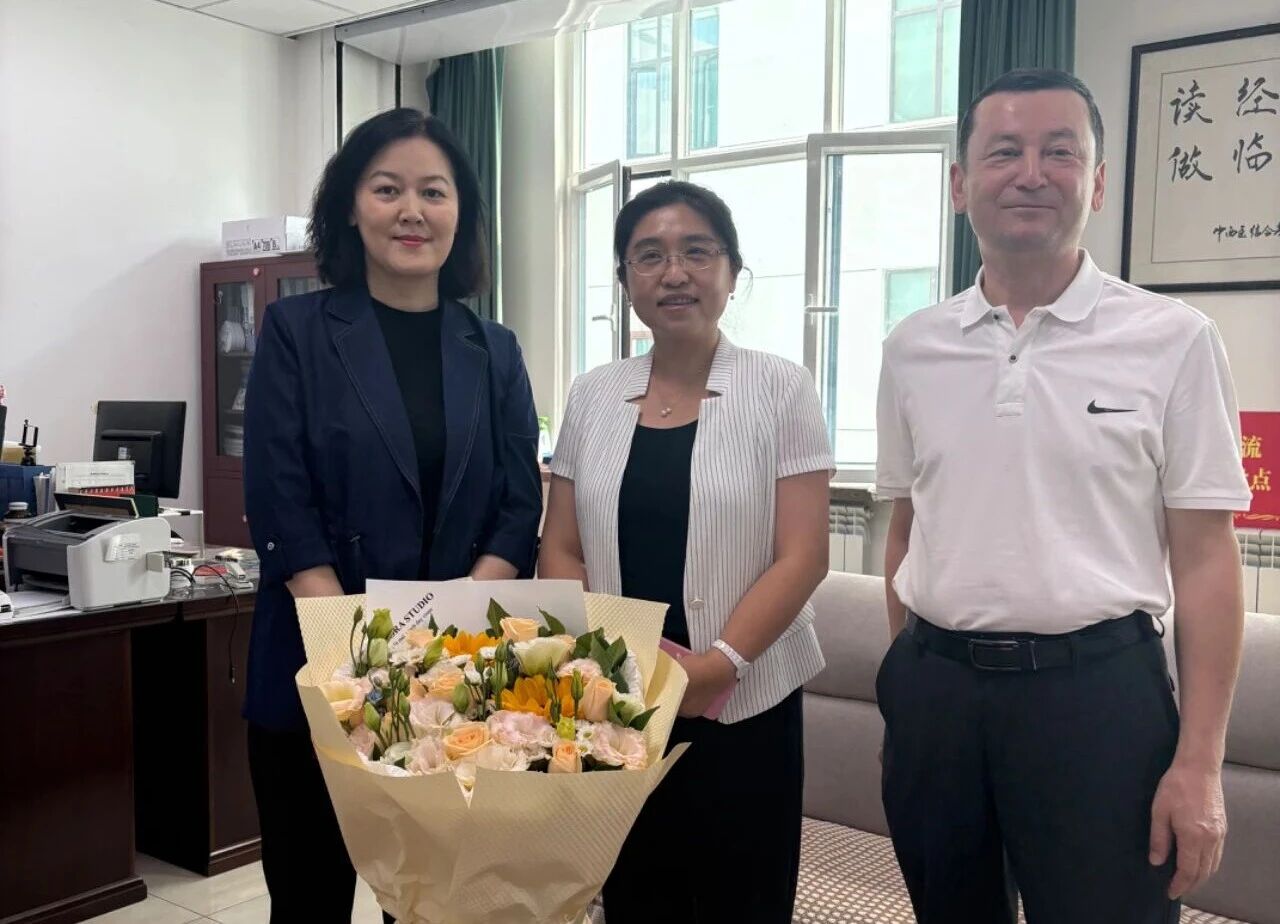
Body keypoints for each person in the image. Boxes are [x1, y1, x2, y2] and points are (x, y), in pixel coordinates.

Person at [875, 68, 1251, 924]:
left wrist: (1200, 763)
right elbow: (906, 525)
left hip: (1098, 698)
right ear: (961, 184)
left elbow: (1204, 559)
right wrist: (907, 687)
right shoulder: (913, 346)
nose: (1031, 173)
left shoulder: (1173, 339)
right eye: (1004, 151)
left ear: (1098, 182)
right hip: (937, 695)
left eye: (1060, 152)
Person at [242, 108, 542, 922]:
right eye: (388, 189)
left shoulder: (496, 350)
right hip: (315, 667)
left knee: (435, 903)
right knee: (308, 898)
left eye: (433, 192)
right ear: (350, 206)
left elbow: (520, 503)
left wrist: (449, 630)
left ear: (461, 213)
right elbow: (279, 496)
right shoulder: (296, 331)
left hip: (454, 676)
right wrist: (358, 654)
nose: (412, 211)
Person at [538, 181, 833, 922]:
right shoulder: (593, 394)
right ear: (625, 280)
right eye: (650, 256)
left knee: (744, 902)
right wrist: (601, 666)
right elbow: (562, 546)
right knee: (637, 896)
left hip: (747, 704)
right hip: (623, 704)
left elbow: (803, 555)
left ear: (731, 271)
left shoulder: (781, 388)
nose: (675, 273)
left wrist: (718, 666)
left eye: (697, 252)